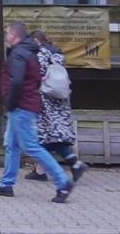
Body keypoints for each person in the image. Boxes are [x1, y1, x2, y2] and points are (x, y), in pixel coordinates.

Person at [0, 21, 76, 203]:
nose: (6, 36)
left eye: (7, 33)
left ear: (14, 35)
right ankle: (6, 184)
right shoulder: (28, 52)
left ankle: (63, 182)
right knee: (12, 145)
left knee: (32, 147)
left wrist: (10, 102)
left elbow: (17, 81)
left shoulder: (19, 54)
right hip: (24, 105)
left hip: (22, 106)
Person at [25, 30, 89, 183]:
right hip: (60, 100)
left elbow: (37, 75)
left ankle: (68, 166)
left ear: (36, 40)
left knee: (45, 137)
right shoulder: (58, 54)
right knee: (53, 137)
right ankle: (43, 170)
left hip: (45, 99)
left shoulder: (41, 53)